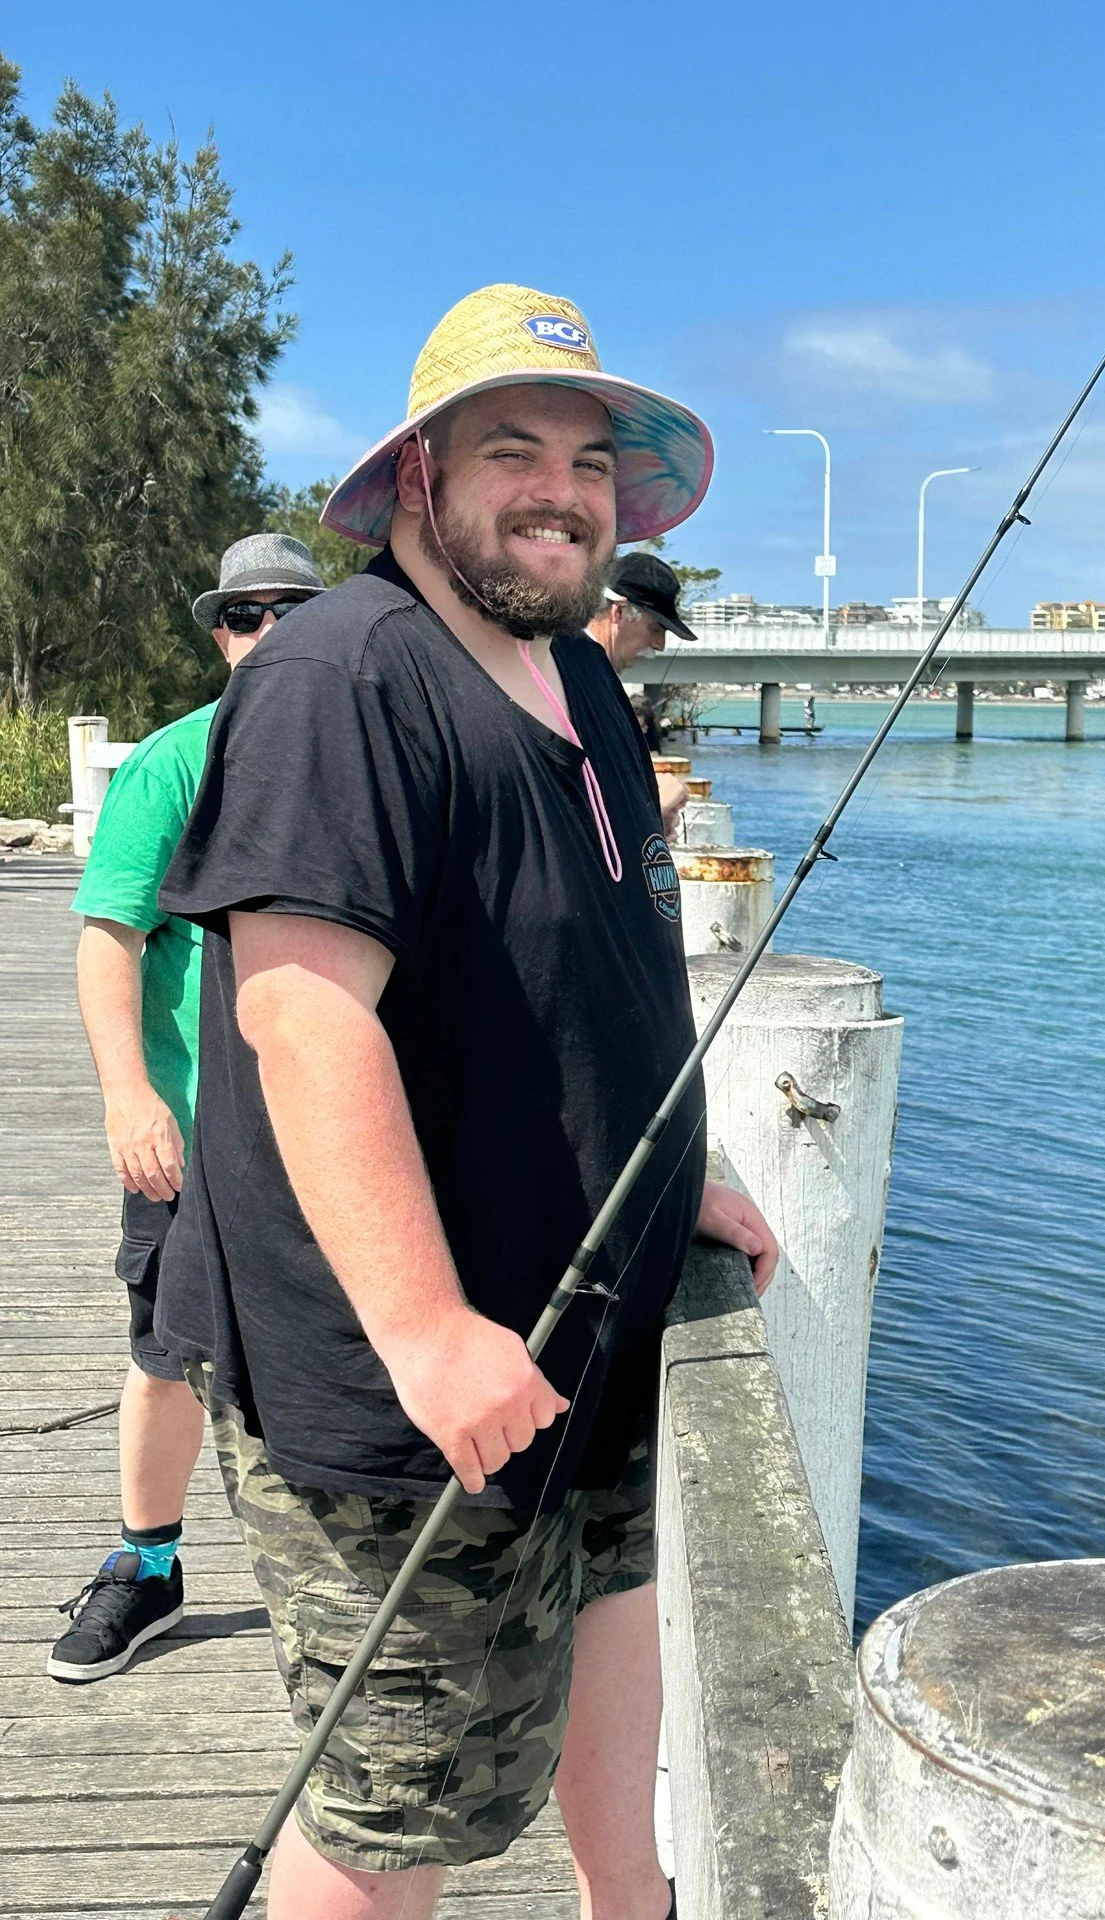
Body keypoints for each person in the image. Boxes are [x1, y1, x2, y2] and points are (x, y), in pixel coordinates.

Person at [153, 284, 777, 1920]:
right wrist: (428, 1330)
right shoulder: (343, 682)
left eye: (589, 460)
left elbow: (597, 970)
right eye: (513, 449)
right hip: (411, 1395)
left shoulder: (578, 688)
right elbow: (303, 1016)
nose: (561, 490)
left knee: (604, 1628)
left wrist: (677, 1179)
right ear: (420, 474)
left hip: (582, 1327)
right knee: (396, 1804)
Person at [49, 534, 326, 1683]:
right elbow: (108, 938)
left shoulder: (370, 757)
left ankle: (343, 1571)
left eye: (292, 614)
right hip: (197, 1131)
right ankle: (148, 1565)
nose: (266, 635)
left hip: (335, 1132)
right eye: (244, 616)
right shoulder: (172, 765)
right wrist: (130, 1098)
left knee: (336, 1353)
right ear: (219, 635)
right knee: (165, 1351)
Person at [588, 552, 699, 836]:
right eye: (655, 628)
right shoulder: (577, 675)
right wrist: (649, 813)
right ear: (619, 612)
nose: (660, 645)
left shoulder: (592, 673)